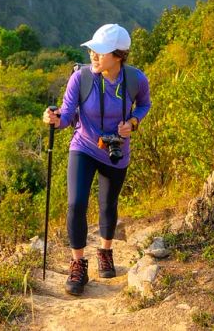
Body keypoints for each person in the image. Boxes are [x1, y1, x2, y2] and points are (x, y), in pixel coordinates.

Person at [42, 23, 151, 296]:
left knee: (107, 204)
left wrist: (134, 123)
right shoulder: (81, 78)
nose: (93, 55)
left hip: (116, 150)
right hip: (84, 146)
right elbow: (67, 115)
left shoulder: (136, 80)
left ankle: (105, 251)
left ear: (118, 56)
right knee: (76, 203)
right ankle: (78, 265)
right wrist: (54, 120)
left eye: (100, 52)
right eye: (92, 49)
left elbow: (144, 104)